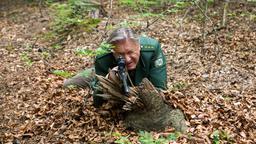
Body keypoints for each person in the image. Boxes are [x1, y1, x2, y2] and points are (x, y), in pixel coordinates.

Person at [64, 27, 167, 108]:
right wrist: (108, 80)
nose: (127, 59)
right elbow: (97, 102)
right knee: (67, 85)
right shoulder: (103, 57)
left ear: (139, 47)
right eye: (120, 55)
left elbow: (160, 88)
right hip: (102, 71)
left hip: (139, 77)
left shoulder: (152, 50)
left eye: (130, 52)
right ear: (113, 53)